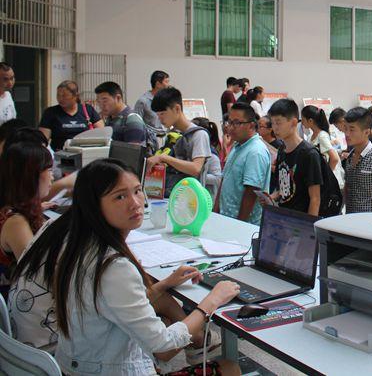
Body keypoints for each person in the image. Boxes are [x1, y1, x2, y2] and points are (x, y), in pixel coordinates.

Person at [9, 158, 240, 374]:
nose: (136, 203)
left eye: (137, 191)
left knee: (165, 307)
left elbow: (109, 302)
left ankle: (198, 344)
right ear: (94, 206)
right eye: (120, 197)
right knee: (229, 368)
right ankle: (200, 344)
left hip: (76, 363)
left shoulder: (77, 244)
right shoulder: (113, 267)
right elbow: (163, 347)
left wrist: (166, 283)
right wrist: (211, 302)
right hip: (100, 367)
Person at [0, 142, 52, 298]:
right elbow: (39, 276)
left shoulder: (17, 210)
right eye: (49, 170)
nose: (52, 176)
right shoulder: (16, 223)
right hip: (21, 302)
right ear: (31, 176)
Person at [146, 87, 211, 195]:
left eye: (162, 114)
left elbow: (196, 168)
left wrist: (164, 158)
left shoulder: (199, 135)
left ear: (177, 108)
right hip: (174, 196)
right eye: (158, 115)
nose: (160, 119)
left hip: (192, 198)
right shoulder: (172, 134)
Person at [216, 102, 270, 223]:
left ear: (251, 126)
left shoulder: (256, 151)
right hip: (226, 219)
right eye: (229, 122)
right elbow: (224, 181)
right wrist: (215, 213)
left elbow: (251, 192)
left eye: (236, 123)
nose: (230, 127)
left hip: (243, 225)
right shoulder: (237, 146)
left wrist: (239, 224)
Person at [269, 99, 323, 216]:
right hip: (283, 217)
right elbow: (283, 189)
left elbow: (315, 199)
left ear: (293, 122)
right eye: (272, 123)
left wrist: (308, 225)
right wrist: (270, 197)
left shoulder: (309, 154)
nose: (275, 128)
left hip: (300, 220)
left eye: (278, 123)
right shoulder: (281, 150)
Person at [342, 107, 372, 213]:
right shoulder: (350, 157)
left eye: (352, 129)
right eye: (345, 128)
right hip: (350, 218)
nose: (347, 134)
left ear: (366, 132)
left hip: (371, 219)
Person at [39, 80, 104, 150]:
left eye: (64, 96)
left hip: (85, 152)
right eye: (58, 95)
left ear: (76, 96)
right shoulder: (50, 112)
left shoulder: (88, 110)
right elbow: (43, 139)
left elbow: (102, 132)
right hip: (60, 153)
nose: (60, 99)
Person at [301, 104, 343, 187]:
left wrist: (326, 177)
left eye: (303, 119)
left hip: (328, 183)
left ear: (310, 121)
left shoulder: (322, 136)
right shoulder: (310, 137)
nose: (302, 122)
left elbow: (334, 158)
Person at [191, 117, 223, 196]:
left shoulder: (212, 156)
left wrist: (198, 175)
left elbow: (218, 178)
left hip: (207, 197)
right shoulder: (192, 152)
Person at [133, 70, 169, 134]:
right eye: (166, 82)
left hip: (166, 136)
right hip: (150, 137)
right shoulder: (143, 101)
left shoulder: (166, 99)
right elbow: (136, 123)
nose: (168, 85)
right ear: (158, 84)